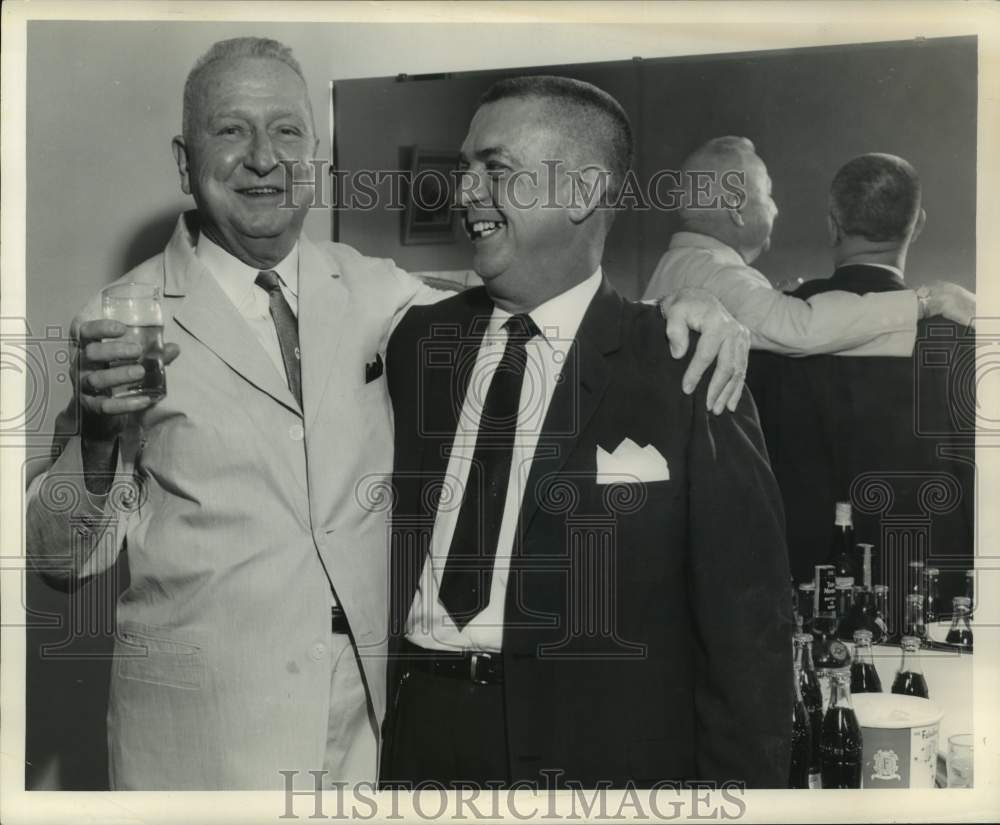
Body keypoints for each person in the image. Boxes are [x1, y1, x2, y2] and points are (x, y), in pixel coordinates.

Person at [24, 39, 747, 790]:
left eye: (288, 130)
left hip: (368, 747)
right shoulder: (120, 320)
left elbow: (546, 304)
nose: (264, 158)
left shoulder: (377, 291)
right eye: (231, 130)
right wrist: (100, 437)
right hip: (200, 752)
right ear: (184, 160)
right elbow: (59, 559)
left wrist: (688, 307)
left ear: (317, 154)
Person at [381, 76, 793, 789]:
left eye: (495, 169)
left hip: (594, 769)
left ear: (580, 193)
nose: (465, 192)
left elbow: (749, 642)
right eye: (465, 169)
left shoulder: (683, 365)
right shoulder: (419, 341)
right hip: (420, 746)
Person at [748, 154, 975, 595]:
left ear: (833, 225)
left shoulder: (772, 331)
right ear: (918, 225)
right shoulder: (958, 340)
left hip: (796, 590)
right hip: (927, 595)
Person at [642, 136, 976, 354]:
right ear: (737, 209)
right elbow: (802, 328)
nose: (776, 207)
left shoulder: (687, 266)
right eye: (767, 193)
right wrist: (927, 301)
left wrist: (775, 296)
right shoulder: (714, 273)